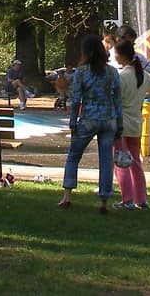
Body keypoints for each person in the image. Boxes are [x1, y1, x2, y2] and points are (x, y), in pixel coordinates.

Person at [58, 34, 123, 214]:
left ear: (85, 52)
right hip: (109, 119)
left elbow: (77, 99)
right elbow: (117, 99)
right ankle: (103, 201)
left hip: (88, 119)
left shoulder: (81, 72)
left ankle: (67, 196)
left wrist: (72, 122)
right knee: (106, 160)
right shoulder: (112, 72)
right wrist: (120, 124)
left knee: (73, 156)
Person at [113, 39, 150, 210]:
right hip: (136, 123)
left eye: (116, 53)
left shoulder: (121, 76)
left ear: (121, 56)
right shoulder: (142, 75)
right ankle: (141, 199)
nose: (114, 56)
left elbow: (114, 100)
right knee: (136, 162)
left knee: (120, 163)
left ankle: (127, 200)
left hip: (121, 124)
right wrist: (143, 97)